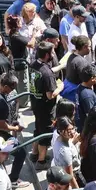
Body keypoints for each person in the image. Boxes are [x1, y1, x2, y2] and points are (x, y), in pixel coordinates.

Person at [30, 41, 62, 170]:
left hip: (36, 104)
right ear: (48, 55)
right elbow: (50, 95)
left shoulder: (33, 65)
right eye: (52, 52)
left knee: (38, 129)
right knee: (45, 133)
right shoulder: (47, 73)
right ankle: (41, 161)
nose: (54, 54)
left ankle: (34, 153)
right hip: (45, 107)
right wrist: (60, 87)